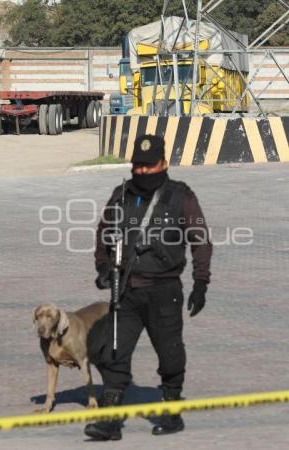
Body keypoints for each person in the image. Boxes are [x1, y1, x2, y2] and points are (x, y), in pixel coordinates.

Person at [84, 134, 212, 441]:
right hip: (126, 291)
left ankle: (171, 411)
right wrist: (103, 267)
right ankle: (110, 420)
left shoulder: (181, 196)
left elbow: (200, 240)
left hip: (164, 291)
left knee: (169, 353)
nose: (143, 172)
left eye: (149, 165)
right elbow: (104, 234)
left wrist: (201, 283)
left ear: (164, 163)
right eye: (138, 166)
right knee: (113, 351)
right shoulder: (122, 194)